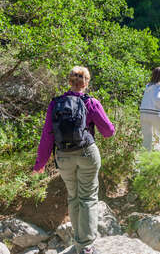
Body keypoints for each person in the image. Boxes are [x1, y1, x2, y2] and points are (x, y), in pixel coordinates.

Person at [33, 66, 115, 254]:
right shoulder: (90, 102)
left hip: (64, 157)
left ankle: (79, 242)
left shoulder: (55, 103)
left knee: (74, 197)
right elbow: (108, 132)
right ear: (86, 82)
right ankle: (85, 246)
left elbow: (47, 136)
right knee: (87, 198)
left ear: (70, 81)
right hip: (87, 154)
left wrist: (40, 163)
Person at [140, 67, 160, 151]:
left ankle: (146, 156)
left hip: (143, 114)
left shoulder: (148, 86)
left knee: (147, 137)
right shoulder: (159, 87)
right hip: (154, 114)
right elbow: (158, 99)